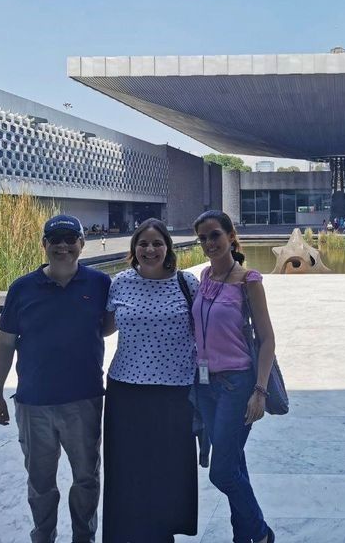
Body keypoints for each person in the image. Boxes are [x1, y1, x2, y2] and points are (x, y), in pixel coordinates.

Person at [0, 215, 111, 543]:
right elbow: (5, 344)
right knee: (41, 482)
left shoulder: (99, 284)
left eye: (70, 239)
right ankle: (43, 536)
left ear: (82, 244)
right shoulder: (22, 288)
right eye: (54, 239)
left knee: (86, 478)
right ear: (44, 245)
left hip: (83, 401)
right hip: (34, 403)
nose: (62, 246)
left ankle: (83, 537)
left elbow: (109, 324)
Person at [103, 218, 200, 542]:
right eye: (143, 243)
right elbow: (102, 327)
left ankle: (163, 530)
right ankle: (127, 532)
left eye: (157, 243)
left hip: (175, 391)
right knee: (128, 467)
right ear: (134, 249)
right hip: (126, 389)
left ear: (168, 248)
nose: (150, 249)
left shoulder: (187, 283)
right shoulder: (121, 283)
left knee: (169, 467)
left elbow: (208, 331)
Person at [193, 210, 276, 543]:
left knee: (222, 472)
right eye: (203, 238)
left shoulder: (248, 280)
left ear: (230, 236)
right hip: (205, 386)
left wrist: (260, 390)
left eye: (214, 235)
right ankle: (243, 536)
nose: (209, 243)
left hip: (237, 385)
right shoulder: (203, 277)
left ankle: (259, 531)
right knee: (234, 464)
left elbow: (267, 338)